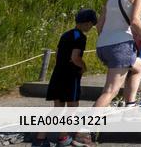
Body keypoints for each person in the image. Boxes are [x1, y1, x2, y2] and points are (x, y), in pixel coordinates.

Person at [36, 9, 98, 147]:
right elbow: (75, 57)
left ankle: (40, 138)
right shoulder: (80, 37)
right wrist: (83, 66)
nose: (91, 27)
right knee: (72, 108)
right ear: (87, 23)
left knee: (57, 108)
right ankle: (63, 138)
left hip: (58, 73)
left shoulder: (66, 34)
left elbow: (58, 52)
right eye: (92, 24)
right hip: (70, 76)